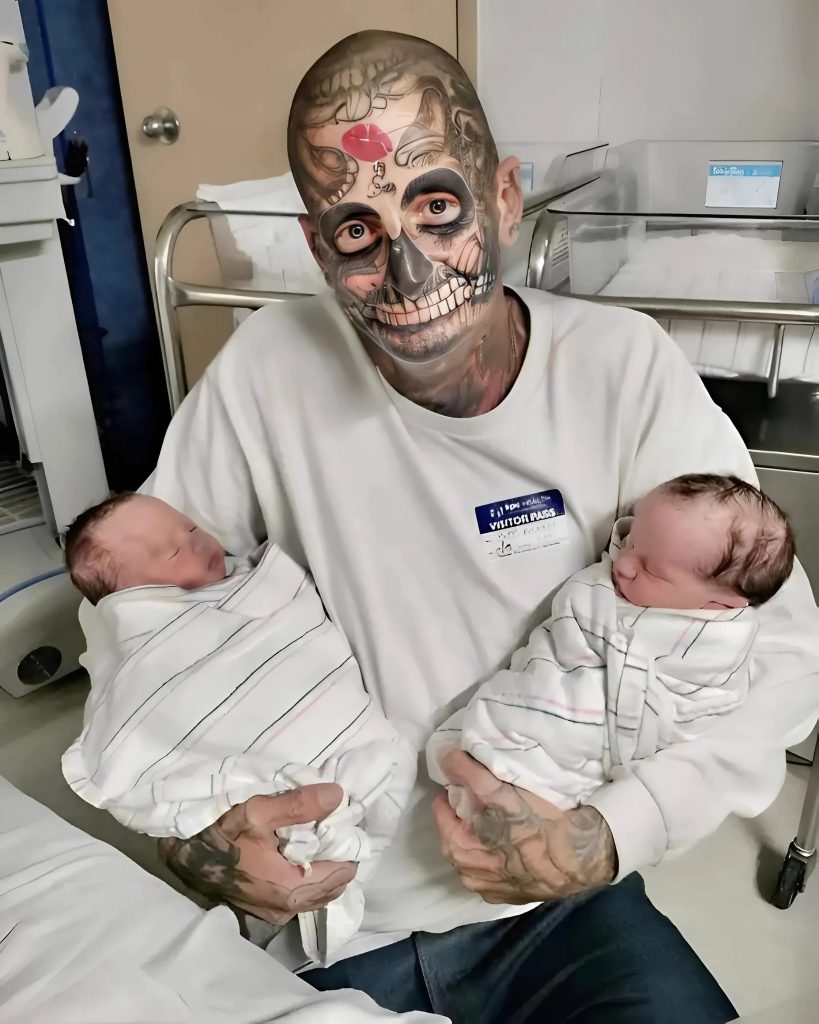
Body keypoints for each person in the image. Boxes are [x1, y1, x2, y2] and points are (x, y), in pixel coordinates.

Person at [142, 29, 819, 1023]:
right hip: (334, 913)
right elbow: (142, 617)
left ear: (504, 198)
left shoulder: (622, 369)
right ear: (315, 245)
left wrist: (613, 832)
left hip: (556, 904)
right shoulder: (263, 376)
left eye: (436, 208)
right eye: (357, 231)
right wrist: (193, 834)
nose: (408, 274)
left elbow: (783, 649)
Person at [61, 492, 415, 963]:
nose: (196, 541)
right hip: (333, 890)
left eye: (191, 528)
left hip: (394, 802)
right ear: (132, 600)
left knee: (383, 764)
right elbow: (144, 712)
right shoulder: (146, 646)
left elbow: (294, 623)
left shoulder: (257, 584)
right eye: (172, 551)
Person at [428, 474, 795, 814]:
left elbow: (689, 713)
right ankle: (488, 757)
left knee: (562, 729)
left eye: (651, 569)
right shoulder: (643, 568)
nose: (623, 564)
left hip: (607, 720)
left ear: (717, 605)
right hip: (547, 678)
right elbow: (567, 632)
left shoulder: (713, 645)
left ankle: (513, 776)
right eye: (631, 541)